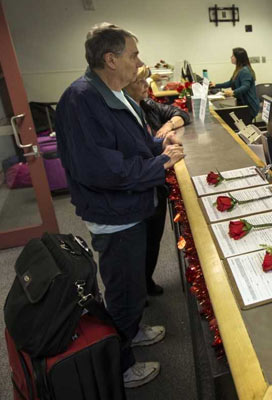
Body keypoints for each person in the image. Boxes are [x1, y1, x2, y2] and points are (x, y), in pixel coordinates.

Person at [56, 22, 185, 388]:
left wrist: (158, 148)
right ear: (111, 59)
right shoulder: (81, 99)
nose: (139, 62)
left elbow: (130, 144)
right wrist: (159, 164)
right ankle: (122, 366)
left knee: (129, 286)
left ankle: (132, 330)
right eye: (133, 55)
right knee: (123, 290)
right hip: (114, 216)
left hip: (130, 208)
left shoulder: (112, 93)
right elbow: (102, 169)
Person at [125, 65, 190, 296]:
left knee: (153, 240)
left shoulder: (147, 105)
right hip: (142, 184)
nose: (146, 87)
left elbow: (181, 114)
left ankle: (146, 282)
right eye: (140, 83)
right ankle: (138, 291)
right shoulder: (124, 115)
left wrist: (168, 124)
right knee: (138, 247)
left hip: (155, 183)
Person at [211, 47, 259, 123]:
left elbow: (245, 87)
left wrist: (233, 92)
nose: (231, 57)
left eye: (233, 56)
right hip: (243, 103)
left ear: (238, 58)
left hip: (249, 105)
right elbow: (230, 83)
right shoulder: (239, 69)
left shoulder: (245, 71)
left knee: (246, 126)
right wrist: (215, 85)